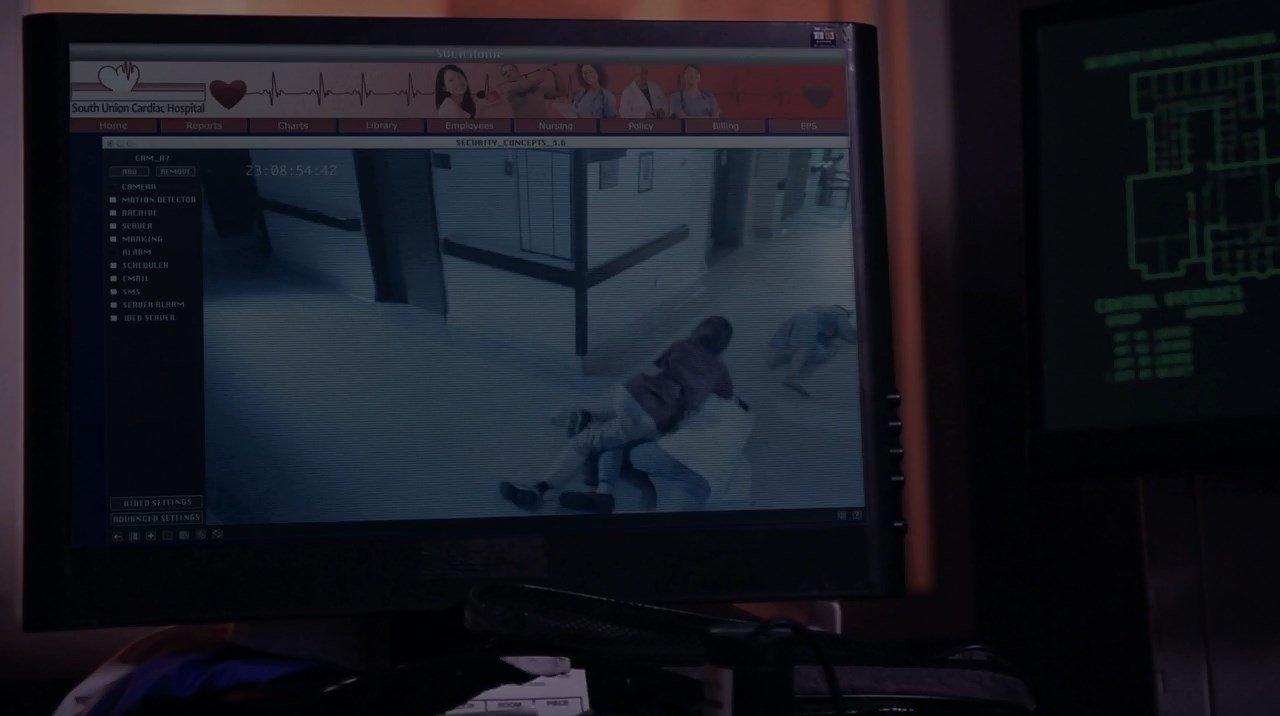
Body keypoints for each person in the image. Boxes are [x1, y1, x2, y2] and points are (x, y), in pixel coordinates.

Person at [500, 316, 735, 510]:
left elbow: (656, 366)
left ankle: (542, 489)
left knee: (595, 440)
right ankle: (594, 489)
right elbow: (727, 393)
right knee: (611, 437)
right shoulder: (719, 369)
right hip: (655, 420)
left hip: (631, 396)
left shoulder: (682, 345)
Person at [560, 393, 755, 514]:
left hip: (670, 457)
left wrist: (596, 416)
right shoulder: (746, 420)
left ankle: (602, 492)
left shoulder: (706, 397)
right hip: (706, 483)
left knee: (618, 437)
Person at [768, 305, 856, 397]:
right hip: (809, 320)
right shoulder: (841, 313)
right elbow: (849, 336)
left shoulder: (821, 309)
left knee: (792, 341)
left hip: (798, 316)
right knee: (805, 348)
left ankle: (776, 358)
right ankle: (791, 377)